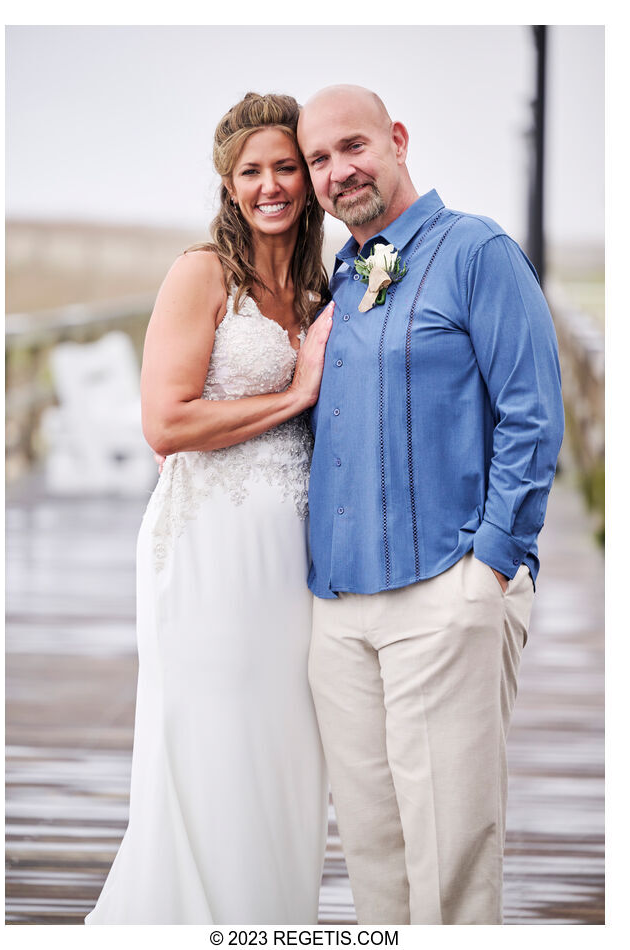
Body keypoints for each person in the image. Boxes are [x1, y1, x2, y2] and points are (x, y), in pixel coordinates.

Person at [296, 85, 564, 925]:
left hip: (447, 588)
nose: (338, 172)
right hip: (339, 614)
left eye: (353, 147)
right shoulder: (339, 277)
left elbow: (532, 415)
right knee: (374, 855)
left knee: (449, 861)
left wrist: (487, 568)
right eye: (318, 160)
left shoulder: (478, 252)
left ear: (398, 140)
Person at [85, 92, 334, 925]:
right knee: (212, 747)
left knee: (284, 753)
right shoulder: (203, 274)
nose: (271, 186)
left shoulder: (313, 284)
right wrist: (298, 391)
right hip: (209, 554)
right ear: (229, 185)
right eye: (250, 171)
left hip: (289, 565)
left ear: (308, 176)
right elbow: (167, 422)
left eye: (285, 167)